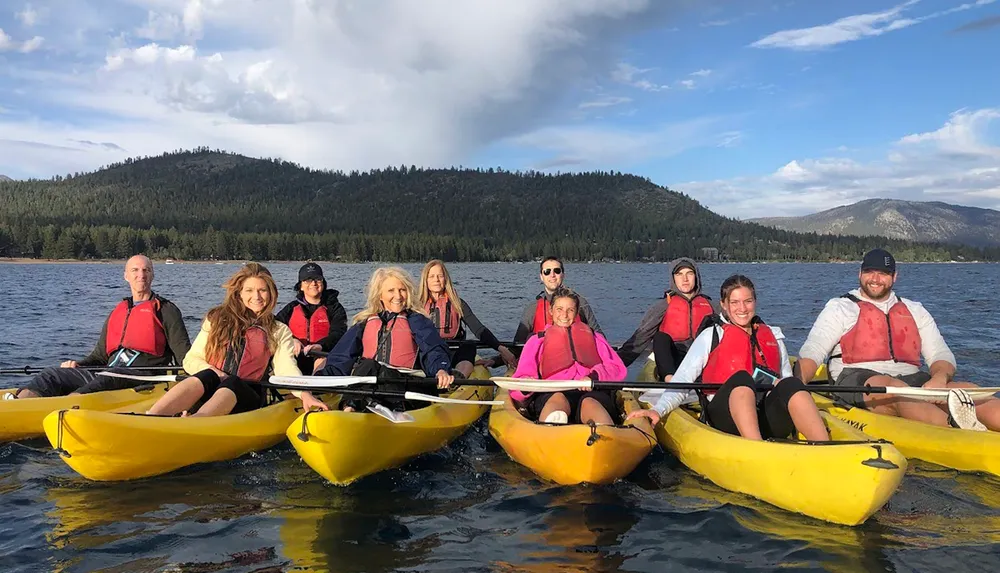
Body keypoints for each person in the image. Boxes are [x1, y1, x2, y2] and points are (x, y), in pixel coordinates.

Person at [795, 248, 1000, 431]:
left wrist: (939, 378)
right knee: (899, 393)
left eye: (883, 273)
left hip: (910, 379)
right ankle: (960, 432)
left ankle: (975, 420)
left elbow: (940, 354)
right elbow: (814, 350)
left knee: (969, 391)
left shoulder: (914, 309)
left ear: (894, 277)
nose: (875, 279)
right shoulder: (840, 307)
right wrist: (795, 388)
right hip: (857, 380)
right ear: (860, 274)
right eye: (869, 272)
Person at [628, 275, 830, 442]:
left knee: (791, 383)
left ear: (755, 302)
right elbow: (683, 381)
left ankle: (826, 449)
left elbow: (784, 382)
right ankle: (757, 450)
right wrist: (658, 410)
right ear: (723, 305)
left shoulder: (773, 336)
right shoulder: (711, 336)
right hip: (726, 417)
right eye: (734, 302)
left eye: (748, 301)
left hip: (765, 414)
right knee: (741, 379)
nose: (742, 308)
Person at [146, 262, 325, 416]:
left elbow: (286, 369)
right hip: (211, 391)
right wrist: (215, 372)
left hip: (246, 398)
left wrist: (305, 394)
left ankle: (195, 423)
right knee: (207, 374)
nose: (256, 297)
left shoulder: (278, 330)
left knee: (233, 381)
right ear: (239, 293)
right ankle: (151, 417)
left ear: (270, 293)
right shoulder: (216, 319)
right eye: (249, 290)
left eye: (262, 290)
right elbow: (191, 359)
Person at [11, 255, 191, 399]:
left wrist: (194, 385)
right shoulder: (118, 312)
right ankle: (18, 405)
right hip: (108, 371)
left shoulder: (167, 310)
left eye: (146, 270)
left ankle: (65, 408)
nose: (141, 275)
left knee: (106, 379)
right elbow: (99, 356)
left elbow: (184, 356)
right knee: (51, 375)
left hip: (141, 377)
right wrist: (78, 364)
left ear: (152, 275)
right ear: (126, 276)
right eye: (135, 270)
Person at [309, 266, 455, 413]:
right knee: (367, 366)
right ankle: (350, 409)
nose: (398, 296)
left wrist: (440, 369)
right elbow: (341, 356)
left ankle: (357, 408)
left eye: (402, 290)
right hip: (375, 383)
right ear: (380, 295)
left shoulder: (417, 321)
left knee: (372, 368)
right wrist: (320, 380)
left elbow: (433, 349)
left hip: (409, 388)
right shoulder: (365, 323)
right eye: (391, 291)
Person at [511, 287, 626, 425]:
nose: (564, 315)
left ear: (576, 312)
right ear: (551, 311)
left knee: (590, 403)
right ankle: (550, 430)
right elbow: (520, 380)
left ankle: (603, 434)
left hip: (592, 391)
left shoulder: (595, 338)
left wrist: (593, 377)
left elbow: (616, 368)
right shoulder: (537, 341)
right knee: (558, 400)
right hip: (553, 392)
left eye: (570, 310)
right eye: (559, 309)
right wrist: (526, 386)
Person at [617, 258, 716, 381]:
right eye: (679, 274)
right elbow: (640, 337)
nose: (685, 279)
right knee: (660, 337)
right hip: (673, 361)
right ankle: (671, 381)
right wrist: (614, 366)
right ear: (673, 278)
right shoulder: (664, 305)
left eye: (689, 273)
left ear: (696, 277)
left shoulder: (711, 306)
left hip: (701, 360)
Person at [417, 259, 517, 377]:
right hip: (430, 352)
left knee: (469, 345)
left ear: (446, 279)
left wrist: (501, 349)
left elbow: (478, 329)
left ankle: (459, 376)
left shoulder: (458, 304)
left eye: (440, 276)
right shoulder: (417, 306)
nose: (436, 280)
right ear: (425, 280)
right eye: (431, 276)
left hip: (454, 351)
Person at [507, 256, 603, 362]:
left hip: (577, 369)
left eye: (557, 271)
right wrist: (495, 361)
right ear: (541, 276)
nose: (552, 275)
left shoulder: (581, 304)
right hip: (541, 369)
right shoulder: (532, 309)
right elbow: (517, 346)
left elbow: (600, 338)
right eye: (547, 271)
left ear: (563, 274)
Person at [275, 263, 348, 375]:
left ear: (323, 283)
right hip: (296, 356)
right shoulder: (291, 308)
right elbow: (275, 326)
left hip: (323, 355)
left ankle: (317, 385)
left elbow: (339, 333)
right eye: (308, 280)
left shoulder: (335, 308)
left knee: (321, 361)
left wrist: (321, 346)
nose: (313, 283)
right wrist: (292, 340)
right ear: (301, 286)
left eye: (318, 279)